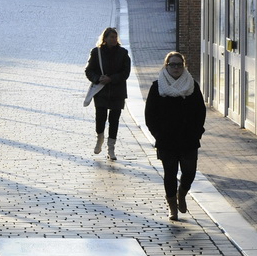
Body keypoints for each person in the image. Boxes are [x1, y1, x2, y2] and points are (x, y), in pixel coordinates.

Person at [145, 51, 206, 220]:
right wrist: (158, 134)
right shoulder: (157, 86)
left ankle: (182, 194)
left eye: (179, 64)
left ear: (184, 66)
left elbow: (200, 111)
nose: (176, 68)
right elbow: (150, 115)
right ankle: (172, 206)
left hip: (189, 139)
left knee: (189, 172)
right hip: (167, 140)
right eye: (173, 64)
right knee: (170, 173)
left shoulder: (192, 86)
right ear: (167, 66)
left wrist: (197, 132)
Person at [85, 27, 131, 161]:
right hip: (101, 91)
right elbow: (89, 71)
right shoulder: (96, 52)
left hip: (118, 92)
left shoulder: (123, 53)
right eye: (111, 37)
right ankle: (100, 138)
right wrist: (98, 78)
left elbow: (125, 73)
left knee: (114, 120)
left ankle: (111, 148)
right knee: (100, 118)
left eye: (115, 37)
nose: (114, 39)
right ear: (105, 38)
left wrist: (112, 79)